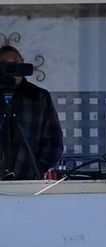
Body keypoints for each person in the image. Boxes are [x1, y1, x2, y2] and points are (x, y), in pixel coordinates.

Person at [0, 44, 63, 181]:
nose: (11, 68)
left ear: (23, 63)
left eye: (15, 63)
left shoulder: (39, 97)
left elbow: (54, 141)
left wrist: (38, 169)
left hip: (28, 183)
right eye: (5, 65)